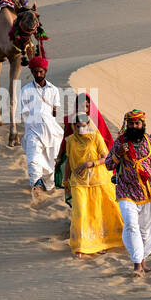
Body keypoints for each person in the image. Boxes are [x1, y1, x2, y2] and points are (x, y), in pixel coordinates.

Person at [106, 109, 151, 277]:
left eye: (137, 123)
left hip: (150, 193)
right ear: (127, 125)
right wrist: (118, 154)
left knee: (145, 230)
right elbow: (109, 164)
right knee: (131, 225)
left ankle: (142, 260)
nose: (134, 126)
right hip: (126, 191)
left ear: (143, 124)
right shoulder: (120, 143)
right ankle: (137, 264)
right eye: (131, 123)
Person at [63, 111, 123, 259]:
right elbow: (68, 163)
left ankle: (100, 243)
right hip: (78, 182)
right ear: (73, 126)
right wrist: (66, 180)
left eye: (83, 126)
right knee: (80, 213)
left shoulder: (96, 137)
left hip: (98, 180)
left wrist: (90, 163)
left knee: (97, 213)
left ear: (88, 125)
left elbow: (106, 158)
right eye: (77, 127)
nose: (80, 130)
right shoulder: (70, 140)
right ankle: (80, 246)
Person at [19, 56, 63, 203]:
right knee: (33, 160)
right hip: (33, 131)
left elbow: (55, 111)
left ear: (45, 71)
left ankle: (47, 185)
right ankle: (36, 186)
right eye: (36, 72)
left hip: (51, 132)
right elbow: (23, 113)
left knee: (51, 164)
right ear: (31, 71)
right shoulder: (25, 90)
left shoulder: (54, 90)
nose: (38, 75)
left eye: (41, 72)